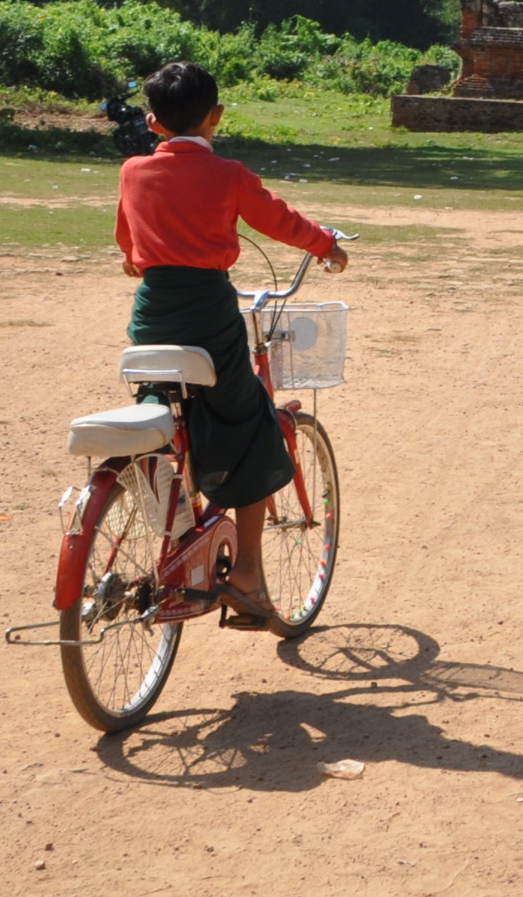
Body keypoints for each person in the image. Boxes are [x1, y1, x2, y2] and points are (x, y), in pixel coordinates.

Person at [114, 59, 349, 630]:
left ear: (152, 122)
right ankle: (246, 572)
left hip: (151, 315)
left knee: (159, 403)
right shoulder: (229, 175)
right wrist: (326, 247)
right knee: (253, 425)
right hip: (209, 316)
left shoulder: (132, 171)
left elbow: (127, 243)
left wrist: (139, 260)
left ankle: (161, 485)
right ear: (216, 117)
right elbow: (279, 220)